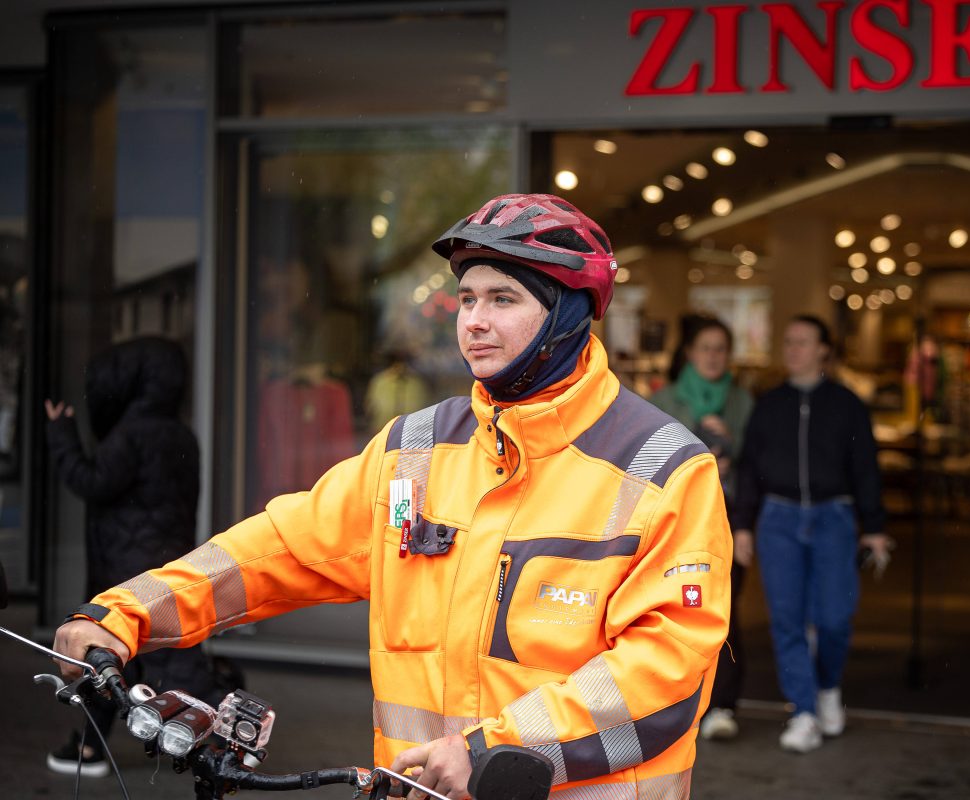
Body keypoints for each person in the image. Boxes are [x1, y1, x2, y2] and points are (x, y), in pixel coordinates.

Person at [52, 194, 731, 800]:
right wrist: (126, 613)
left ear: (569, 315)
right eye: (467, 298)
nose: (474, 322)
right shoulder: (416, 450)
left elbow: (663, 671)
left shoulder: (663, 468)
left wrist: (490, 751)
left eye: (503, 299)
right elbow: (281, 548)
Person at [43, 336, 216, 777]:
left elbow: (91, 481)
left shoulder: (132, 434)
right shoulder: (182, 434)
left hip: (124, 563)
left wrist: (62, 436)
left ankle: (94, 747)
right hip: (166, 559)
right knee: (167, 655)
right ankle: (209, 739)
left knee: (111, 653)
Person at [731, 315, 893, 754]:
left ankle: (826, 688)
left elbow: (866, 469)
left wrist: (874, 527)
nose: (793, 349)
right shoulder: (769, 404)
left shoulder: (847, 404)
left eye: (803, 342)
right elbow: (749, 469)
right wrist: (743, 524)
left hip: (833, 518)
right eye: (788, 342)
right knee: (786, 619)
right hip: (778, 519)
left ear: (824, 349)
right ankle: (802, 711)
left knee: (834, 618)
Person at [650, 314, 753, 740]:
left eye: (721, 349)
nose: (713, 356)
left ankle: (723, 706)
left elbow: (761, 468)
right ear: (689, 353)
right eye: (705, 347)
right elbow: (649, 463)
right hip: (678, 523)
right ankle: (675, 702)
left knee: (722, 614)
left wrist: (734, 450)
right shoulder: (664, 401)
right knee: (674, 611)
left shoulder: (744, 402)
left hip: (727, 521)